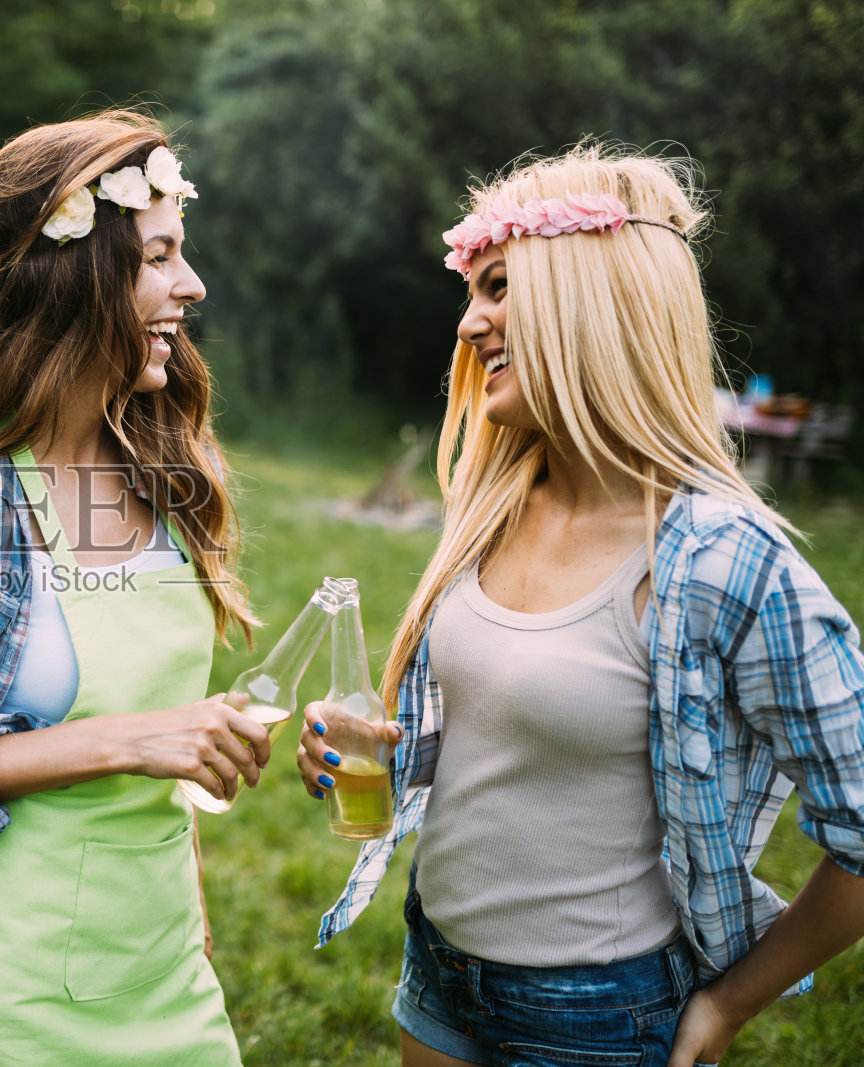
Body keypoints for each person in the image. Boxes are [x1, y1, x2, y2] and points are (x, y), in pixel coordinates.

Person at [297, 144, 864, 1066]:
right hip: (438, 969)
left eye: (498, 287)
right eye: (470, 293)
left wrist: (727, 1006)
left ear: (589, 299)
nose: (470, 322)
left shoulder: (721, 559)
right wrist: (356, 744)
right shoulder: (495, 504)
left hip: (599, 1015)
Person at [0, 111, 266, 1064]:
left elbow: (169, 744)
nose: (191, 287)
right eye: (159, 257)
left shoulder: (170, 474)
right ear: (76, 284)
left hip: (164, 972)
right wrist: (134, 739)